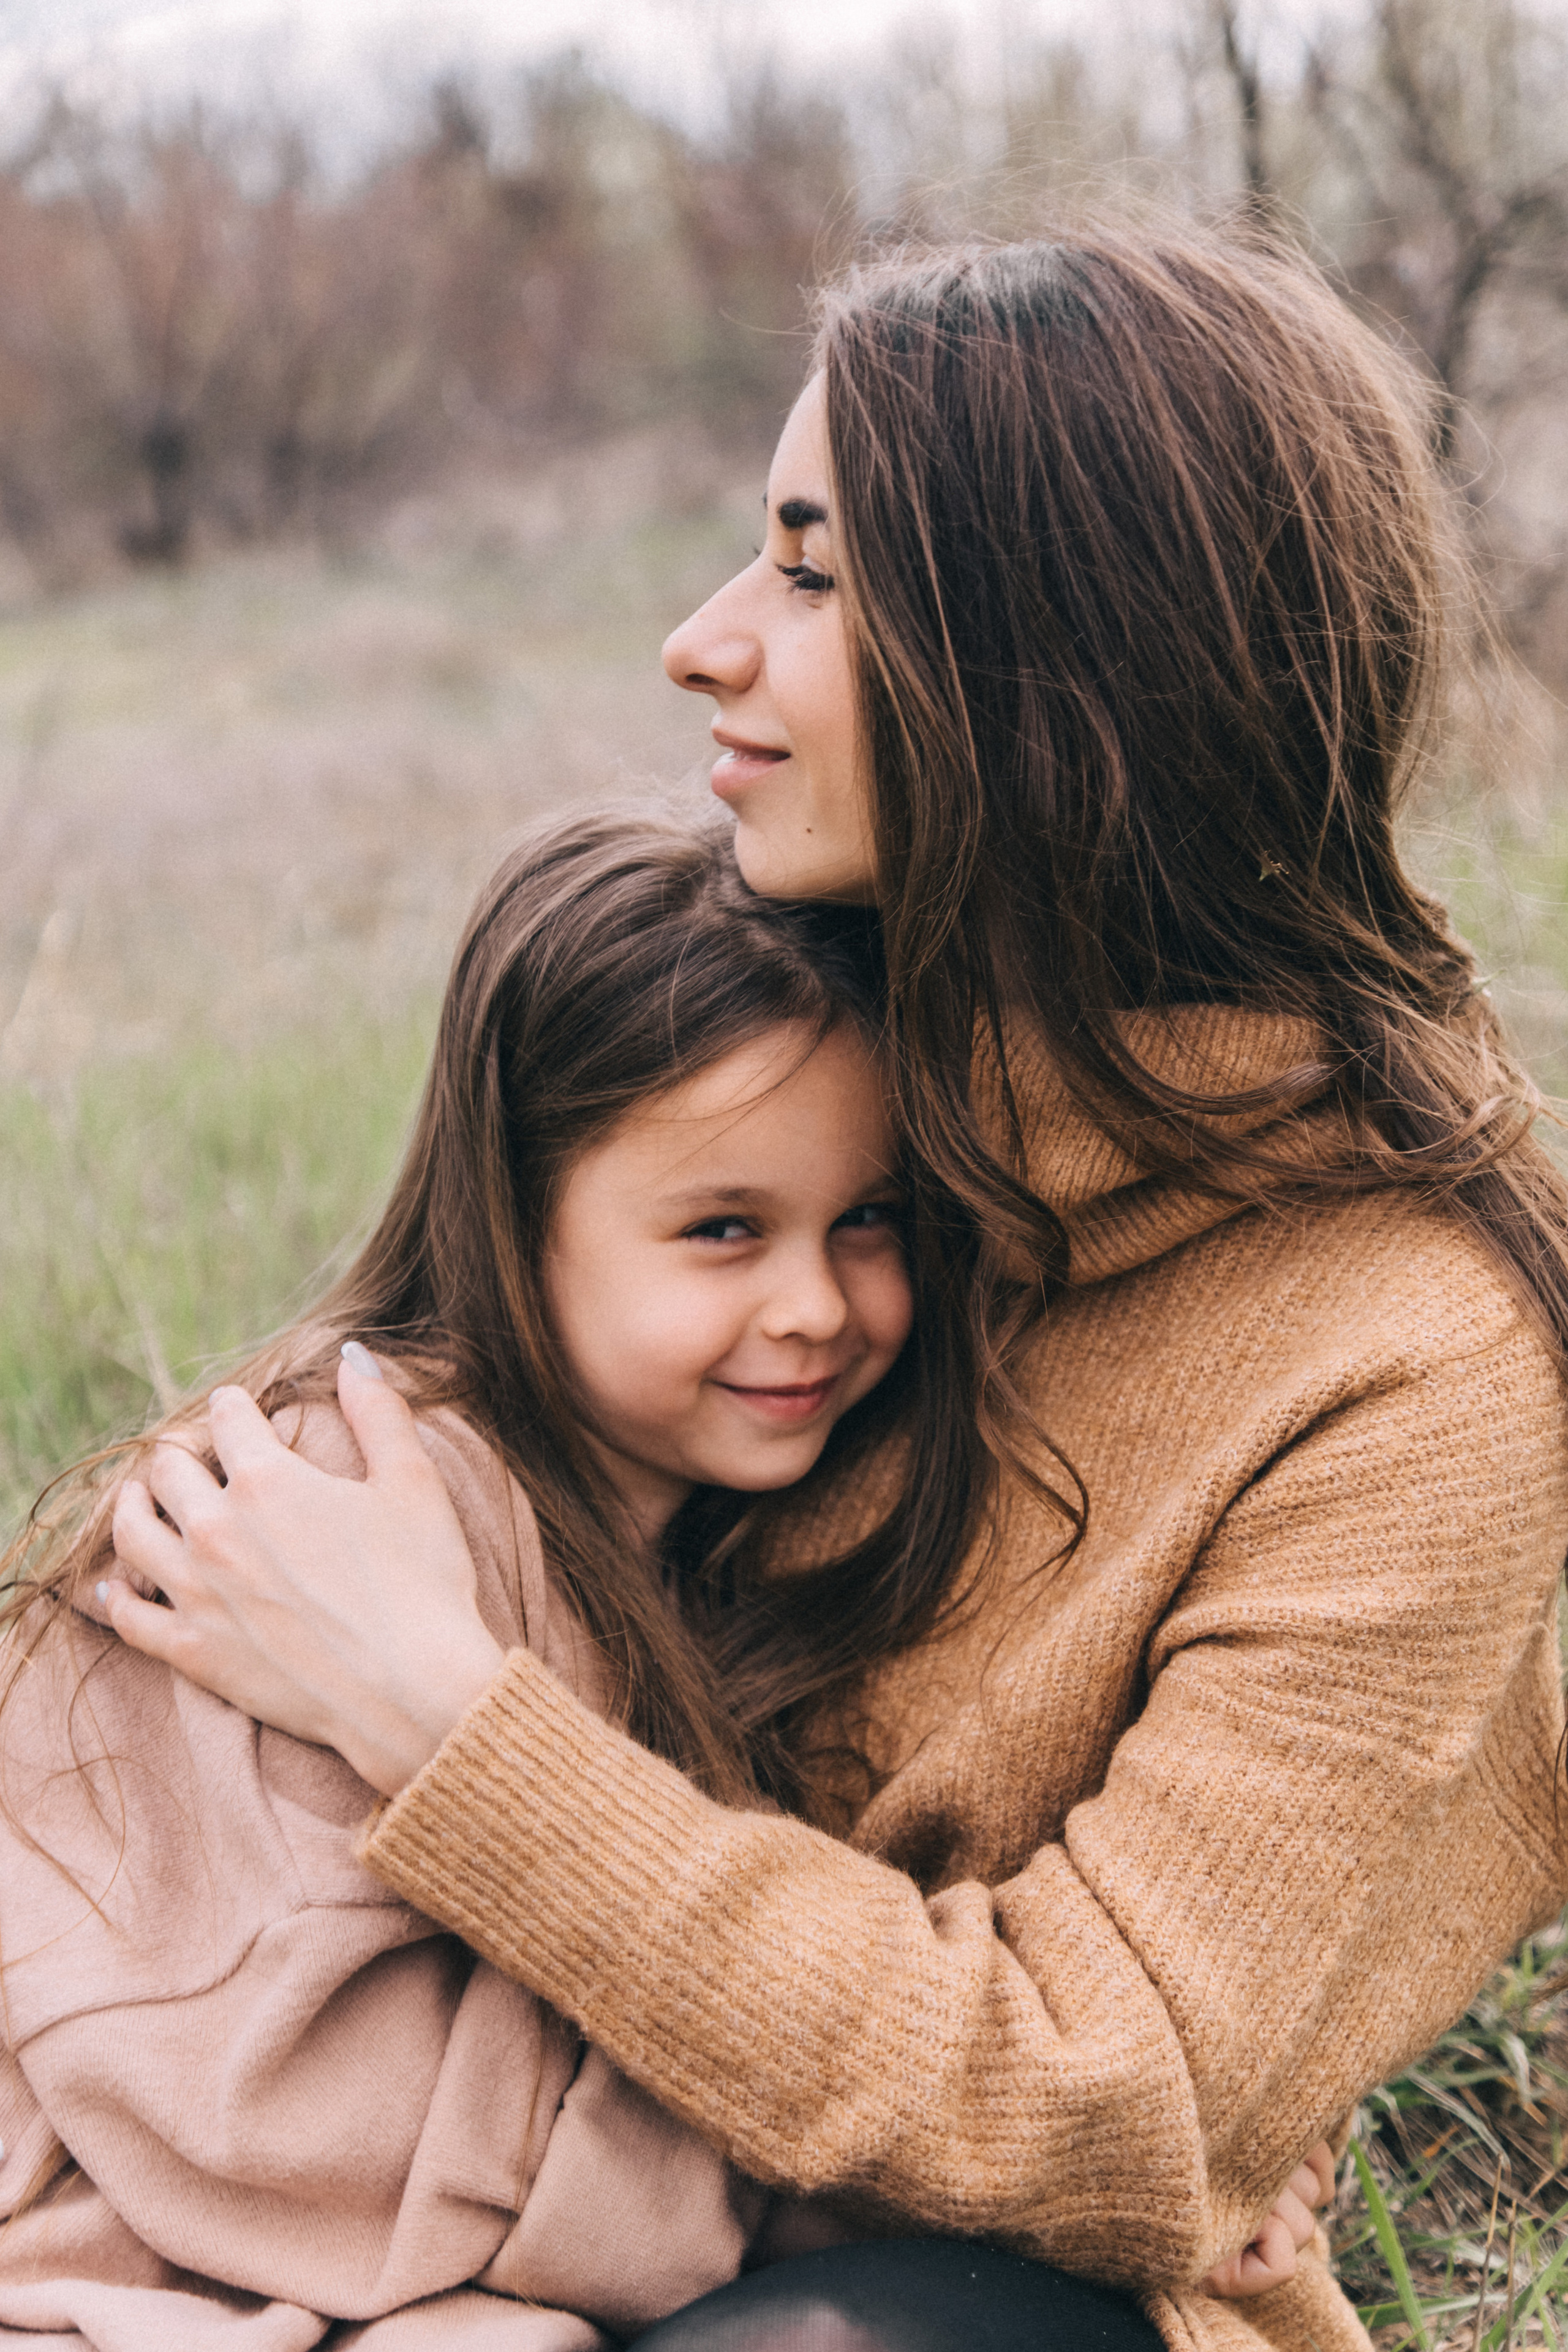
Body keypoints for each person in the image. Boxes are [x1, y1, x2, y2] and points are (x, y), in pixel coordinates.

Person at [96, 218, 1568, 2352]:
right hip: (481, 2190)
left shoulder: (1411, 1362)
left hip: (930, 2303)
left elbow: (1100, 2099)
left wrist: (443, 1717)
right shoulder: (837, 1068)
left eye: (808, 574)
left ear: (1056, 679)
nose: (701, 643)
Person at [0, 812, 924, 2346]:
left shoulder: (735, 1518)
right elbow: (278, 2118)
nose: (814, 1305)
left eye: (867, 1220)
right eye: (722, 1230)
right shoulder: (322, 1513)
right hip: (129, 2263)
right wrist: (834, 2196)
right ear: (517, 1220)